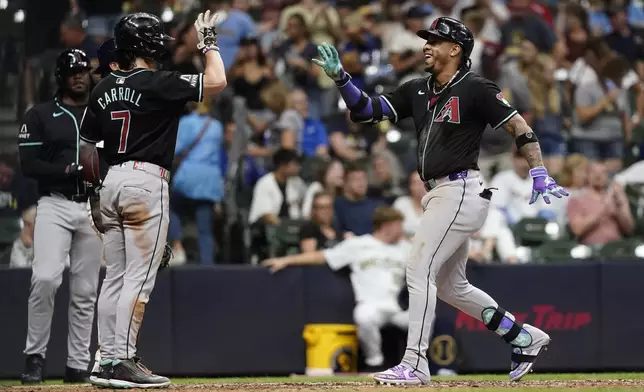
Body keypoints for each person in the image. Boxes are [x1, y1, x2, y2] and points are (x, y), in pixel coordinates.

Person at [312, 17, 568, 385]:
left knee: (418, 270)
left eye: (436, 40)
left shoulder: (476, 87)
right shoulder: (417, 88)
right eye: (427, 39)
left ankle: (415, 363)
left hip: (461, 189)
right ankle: (522, 337)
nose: (427, 45)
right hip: (441, 193)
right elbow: (368, 111)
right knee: (451, 287)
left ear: (456, 49)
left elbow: (519, 127)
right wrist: (342, 79)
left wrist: (540, 171)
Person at [79, 11, 227, 388]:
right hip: (145, 182)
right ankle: (122, 360)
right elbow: (217, 80)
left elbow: (86, 149)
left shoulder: (102, 88)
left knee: (113, 277)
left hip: (109, 183)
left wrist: (94, 192)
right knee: (138, 280)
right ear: (146, 45)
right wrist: (208, 41)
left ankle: (105, 358)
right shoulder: (158, 81)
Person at [17, 49, 102, 384]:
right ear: (60, 77)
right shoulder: (40, 114)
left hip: (92, 204)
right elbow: (29, 164)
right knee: (46, 278)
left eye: (83, 70)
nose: (79, 76)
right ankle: (34, 358)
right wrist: (70, 169)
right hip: (54, 202)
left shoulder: (101, 112)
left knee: (85, 292)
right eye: (72, 72)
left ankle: (77, 364)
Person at [263, 206, 411, 370]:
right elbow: (322, 256)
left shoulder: (406, 248)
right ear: (387, 226)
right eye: (399, 225)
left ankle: (416, 363)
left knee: (425, 317)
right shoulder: (358, 244)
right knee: (363, 316)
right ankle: (375, 362)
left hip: (399, 308)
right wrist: (287, 260)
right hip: (372, 305)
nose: (402, 229)